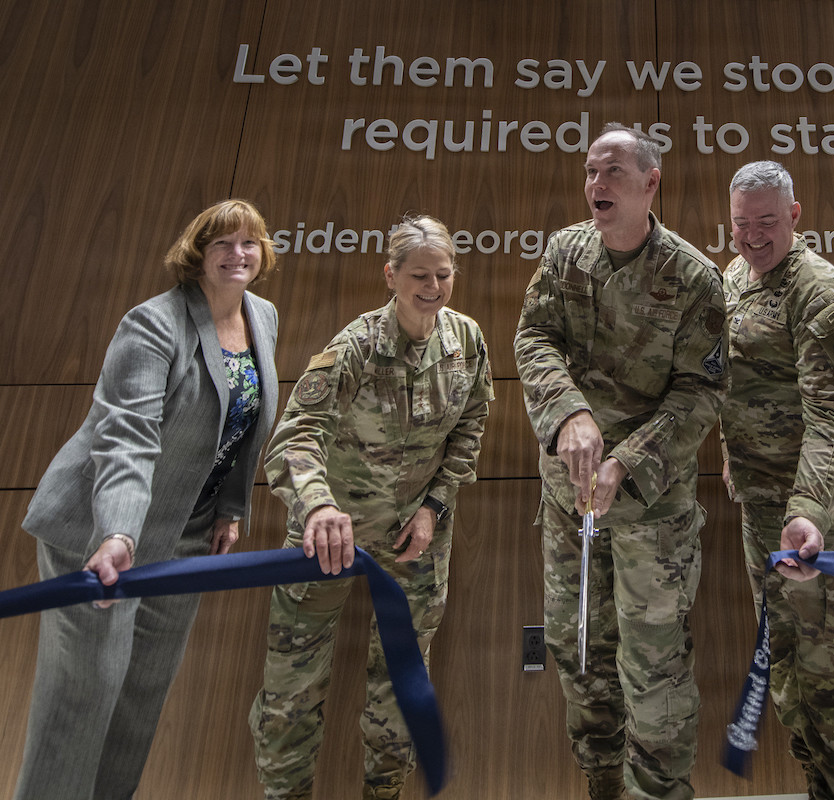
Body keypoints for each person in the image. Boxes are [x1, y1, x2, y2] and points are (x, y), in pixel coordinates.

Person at [15, 199, 280, 799]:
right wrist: (118, 534)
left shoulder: (260, 316)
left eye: (249, 243)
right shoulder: (152, 324)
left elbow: (246, 423)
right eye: (222, 244)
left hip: (184, 536)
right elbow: (127, 440)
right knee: (83, 699)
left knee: (139, 700)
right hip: (100, 534)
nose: (237, 255)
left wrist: (232, 509)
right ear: (197, 254)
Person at [513, 122, 727, 800]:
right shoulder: (565, 253)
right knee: (578, 652)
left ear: (650, 182)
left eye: (611, 173)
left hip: (651, 512)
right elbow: (534, 337)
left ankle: (659, 792)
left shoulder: (693, 278)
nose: (595, 185)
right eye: (589, 172)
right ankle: (602, 782)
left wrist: (628, 461)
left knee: (654, 666)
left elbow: (702, 390)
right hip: (569, 500)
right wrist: (569, 413)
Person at [248, 214, 493, 800]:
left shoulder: (466, 340)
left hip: (416, 539)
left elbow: (471, 428)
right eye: (418, 275)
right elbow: (294, 437)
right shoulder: (355, 345)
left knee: (401, 690)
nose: (432, 287)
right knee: (290, 692)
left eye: (443, 274)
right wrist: (316, 508)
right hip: (327, 539)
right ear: (390, 275)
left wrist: (435, 505)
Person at [719, 161, 834, 799]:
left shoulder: (819, 292)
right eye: (741, 224)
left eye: (767, 222)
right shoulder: (735, 277)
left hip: (826, 525)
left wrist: (810, 512)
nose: (753, 236)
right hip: (765, 516)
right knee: (792, 687)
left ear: (794, 216)